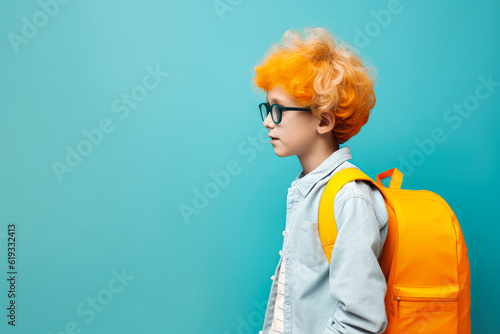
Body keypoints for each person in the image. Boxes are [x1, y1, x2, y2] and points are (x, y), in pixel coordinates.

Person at [252, 26, 390, 334]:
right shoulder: (306, 190)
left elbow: (362, 320)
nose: (266, 121)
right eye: (266, 107)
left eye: (277, 110)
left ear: (324, 120)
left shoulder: (349, 198)